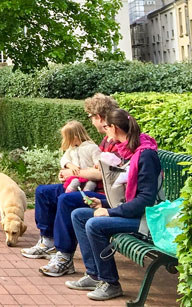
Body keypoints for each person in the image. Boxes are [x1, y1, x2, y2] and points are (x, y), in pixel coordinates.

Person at [22, 93, 120, 278]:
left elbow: (103, 173)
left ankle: (65, 256)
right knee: (43, 192)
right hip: (86, 186)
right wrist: (67, 170)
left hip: (100, 192)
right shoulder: (107, 139)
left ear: (98, 116)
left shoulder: (114, 139)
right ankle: (48, 241)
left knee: (66, 200)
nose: (90, 122)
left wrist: (73, 173)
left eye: (90, 117)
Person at [67, 109, 161, 300]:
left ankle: (110, 283)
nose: (105, 131)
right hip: (133, 212)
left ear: (115, 128)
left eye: (106, 127)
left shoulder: (145, 156)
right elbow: (128, 195)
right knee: (79, 215)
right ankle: (94, 275)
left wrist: (110, 213)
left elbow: (146, 200)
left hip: (147, 219)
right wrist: (101, 202)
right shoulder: (131, 151)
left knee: (95, 224)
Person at [59, 121, 101, 192]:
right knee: (74, 182)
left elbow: (98, 161)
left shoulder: (92, 147)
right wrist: (70, 165)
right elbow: (63, 160)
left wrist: (97, 164)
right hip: (76, 178)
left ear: (75, 138)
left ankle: (86, 196)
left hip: (89, 177)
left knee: (91, 184)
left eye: (66, 138)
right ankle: (68, 195)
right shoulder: (71, 150)